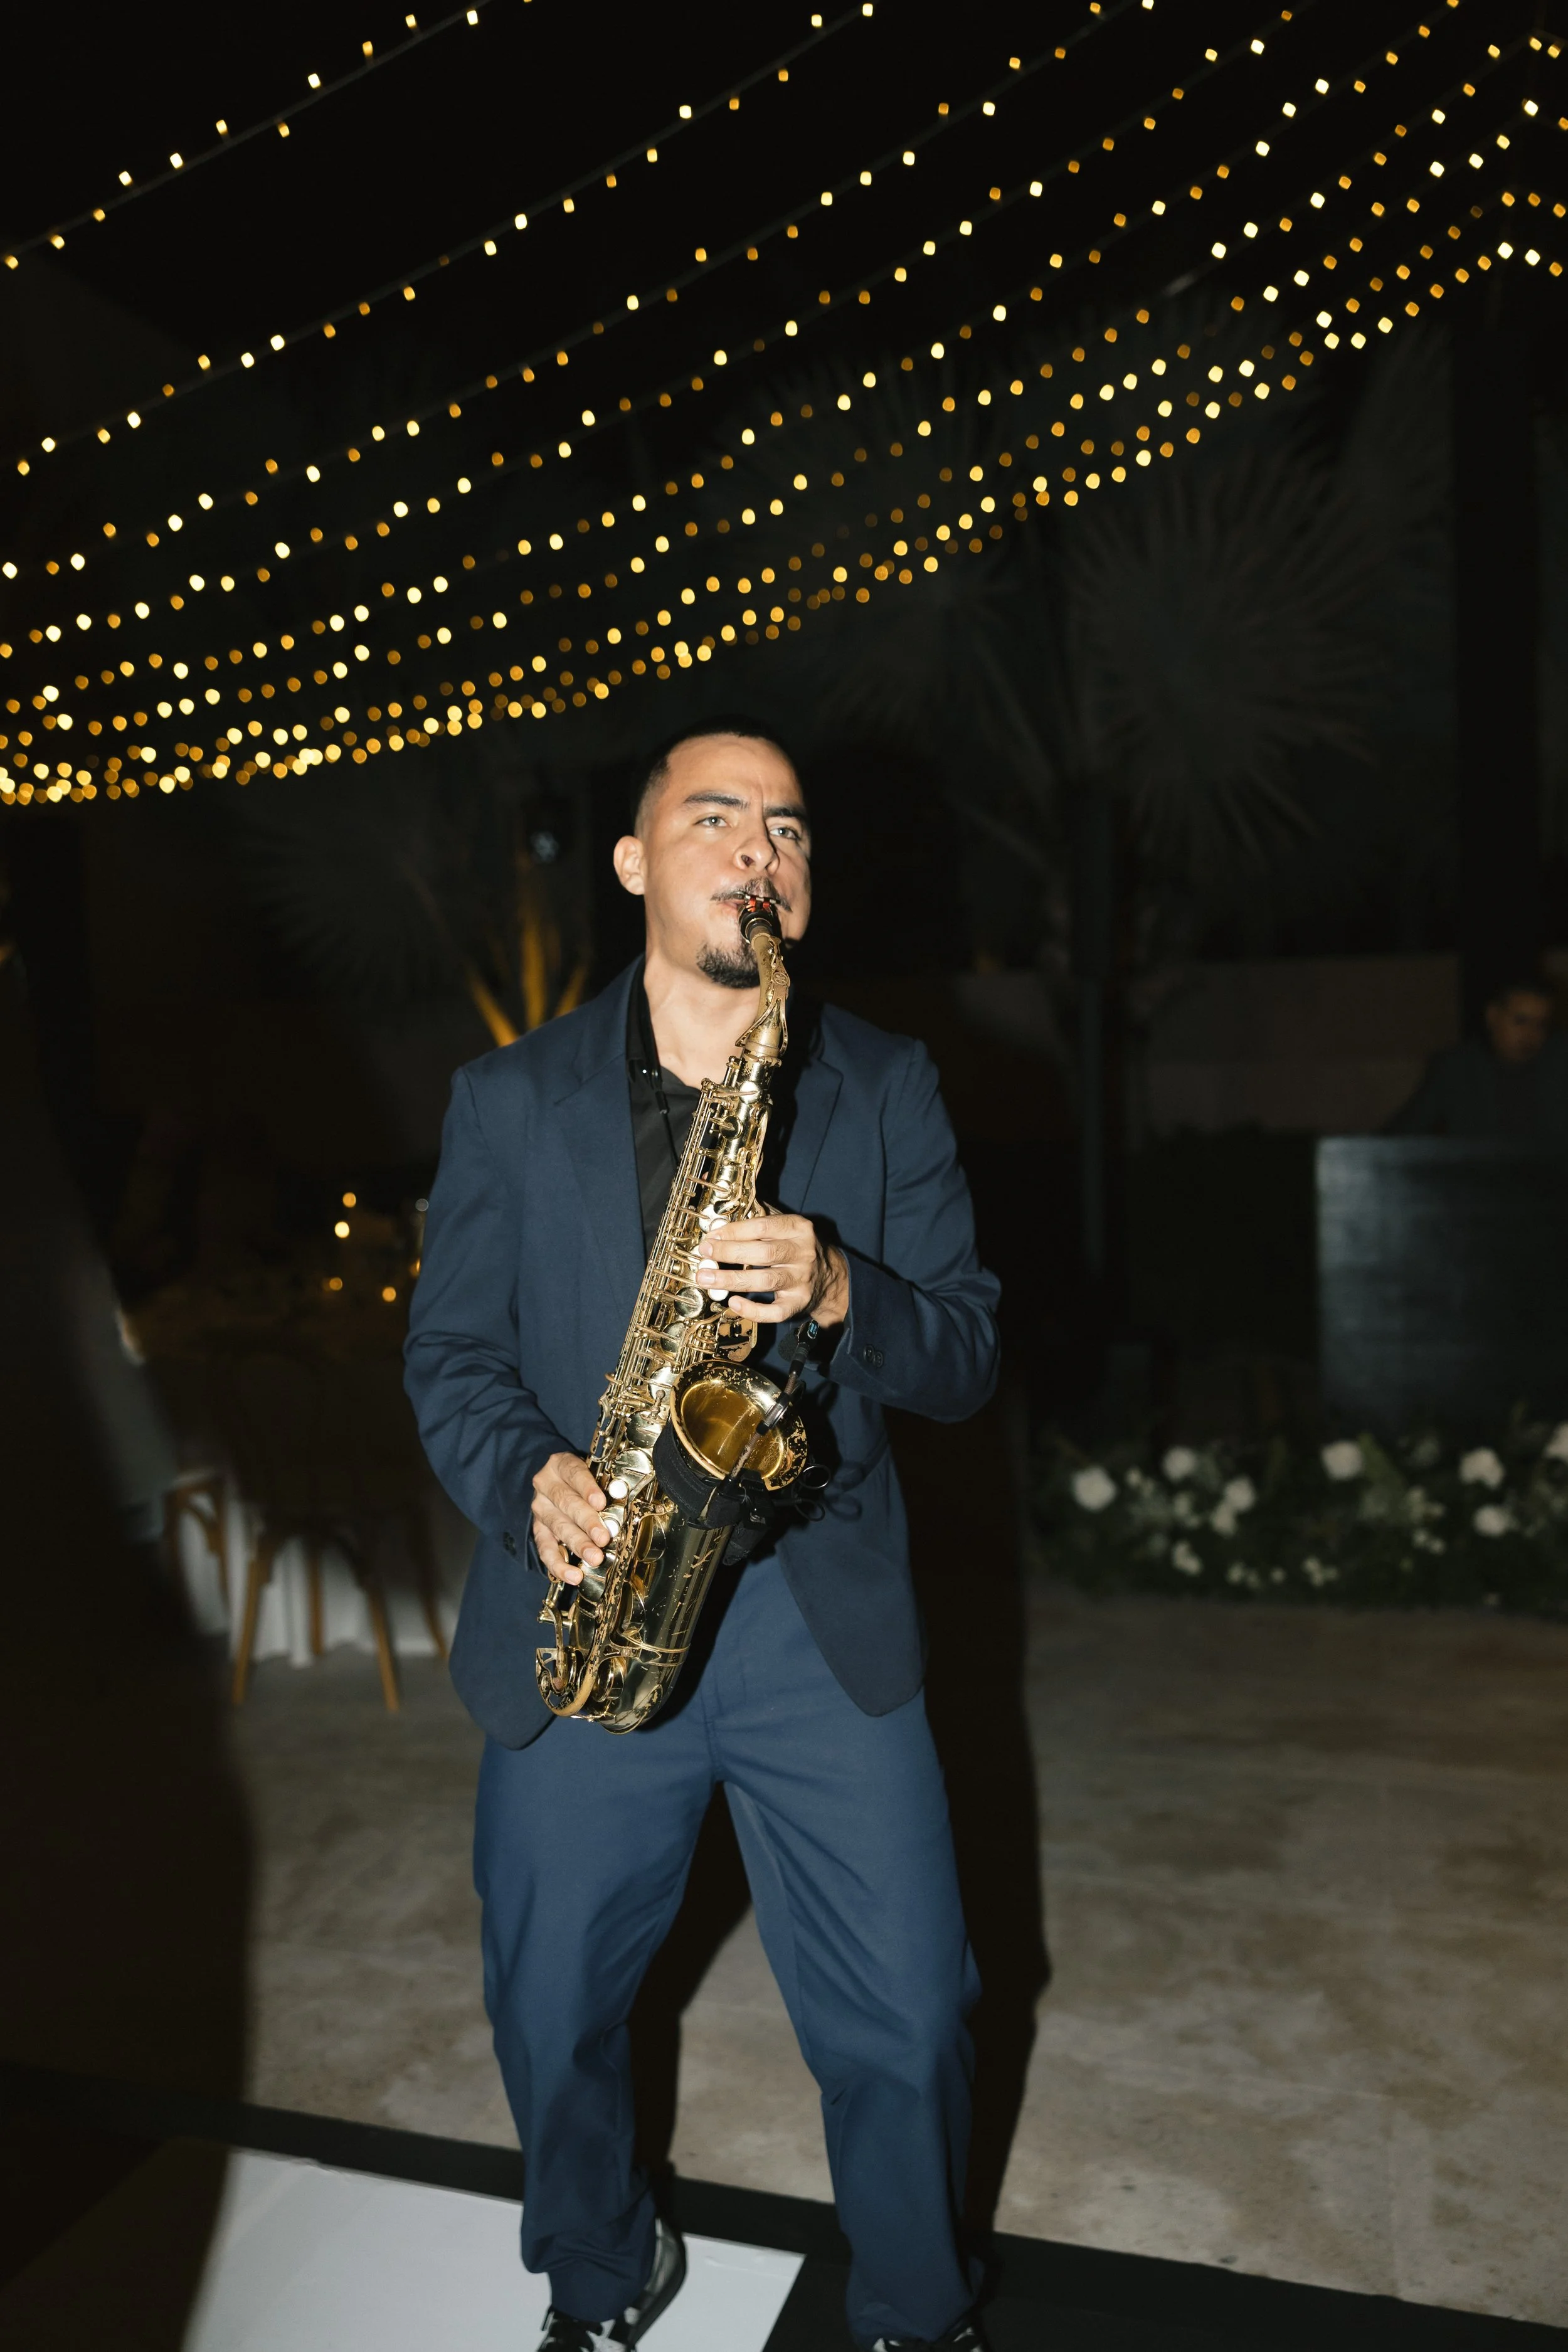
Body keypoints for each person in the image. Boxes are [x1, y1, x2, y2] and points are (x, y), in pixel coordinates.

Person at [405, 718, 1001, 2352]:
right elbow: (447, 1352)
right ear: (634, 857)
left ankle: (914, 2306)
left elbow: (966, 1346)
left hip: (816, 1610)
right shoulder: (507, 1099)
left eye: (790, 830)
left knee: (908, 2012)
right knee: (550, 2005)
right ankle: (602, 2272)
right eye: (717, 816)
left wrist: (838, 1285)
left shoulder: (880, 1082)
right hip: (594, 1588)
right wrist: (524, 1471)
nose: (760, 853)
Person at [1387, 973, 1568, 1138]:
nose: (1531, 1035)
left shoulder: (1559, 1063)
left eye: (1541, 1025)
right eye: (1521, 1021)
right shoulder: (1456, 1068)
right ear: (1493, 1016)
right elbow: (1406, 1129)